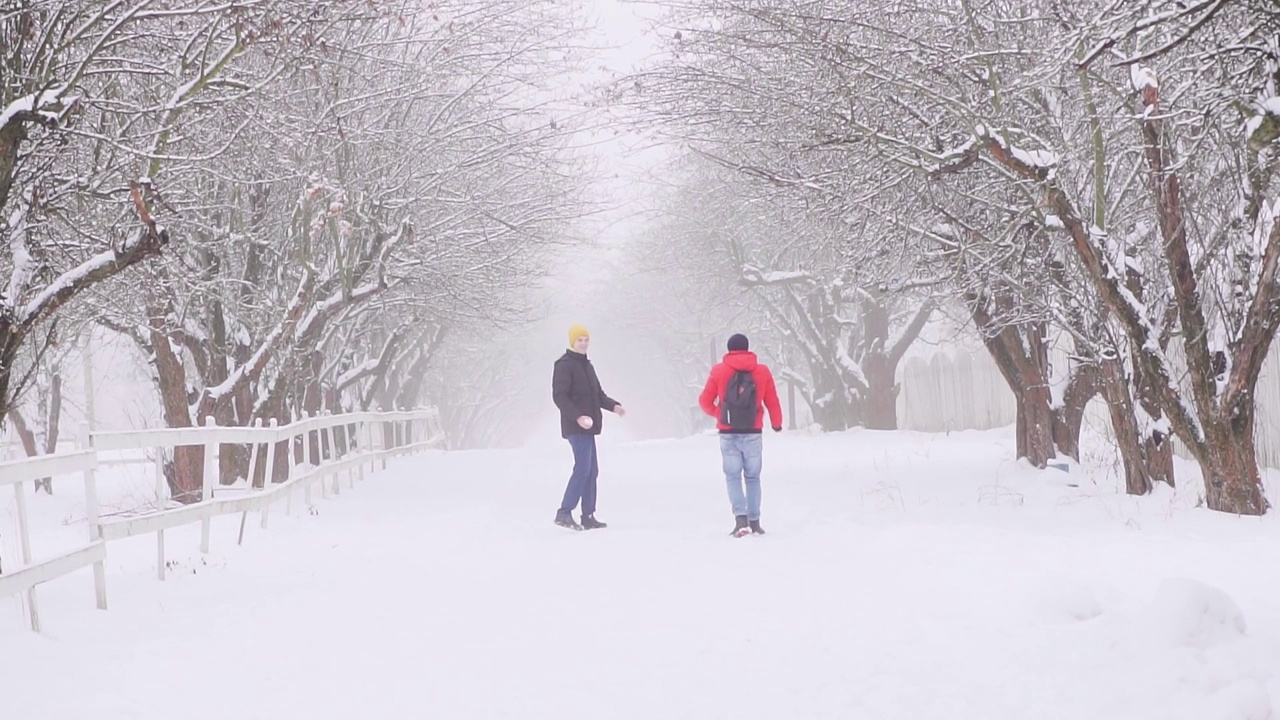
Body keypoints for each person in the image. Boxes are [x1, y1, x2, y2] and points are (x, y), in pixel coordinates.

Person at [698, 333, 783, 536]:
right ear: (747, 348)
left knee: (733, 477)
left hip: (729, 433)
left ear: (728, 349)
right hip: (753, 432)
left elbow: (704, 401)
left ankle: (740, 520)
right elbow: (772, 400)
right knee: (753, 478)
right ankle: (755, 522)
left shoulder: (719, 371)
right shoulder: (762, 371)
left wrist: (720, 413)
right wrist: (776, 424)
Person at [551, 324, 625, 530]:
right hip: (575, 426)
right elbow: (560, 397)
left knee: (592, 470)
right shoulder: (564, 365)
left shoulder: (587, 366)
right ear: (572, 342)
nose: (583, 343)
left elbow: (598, 395)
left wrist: (614, 406)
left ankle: (588, 515)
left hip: (589, 427)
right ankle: (564, 512)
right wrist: (578, 417)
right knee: (583, 468)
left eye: (586, 339)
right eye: (579, 340)